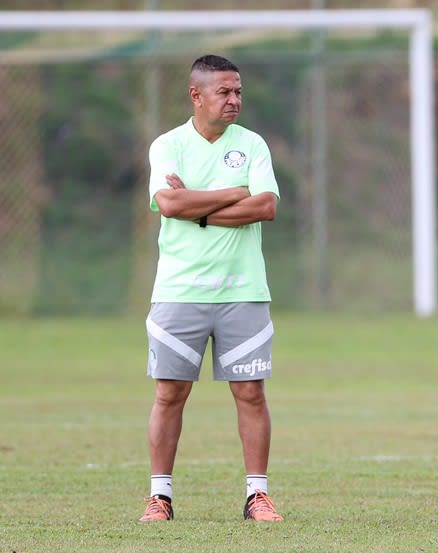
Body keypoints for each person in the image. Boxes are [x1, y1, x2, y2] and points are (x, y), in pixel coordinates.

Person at [139, 54, 283, 523]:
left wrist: (194, 206)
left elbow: (265, 206)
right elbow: (167, 200)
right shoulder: (168, 145)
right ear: (195, 96)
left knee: (251, 393)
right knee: (169, 393)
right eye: (224, 92)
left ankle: (257, 497)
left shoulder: (253, 143)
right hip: (179, 291)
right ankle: (160, 498)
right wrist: (233, 191)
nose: (234, 100)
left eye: (238, 91)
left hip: (243, 290)